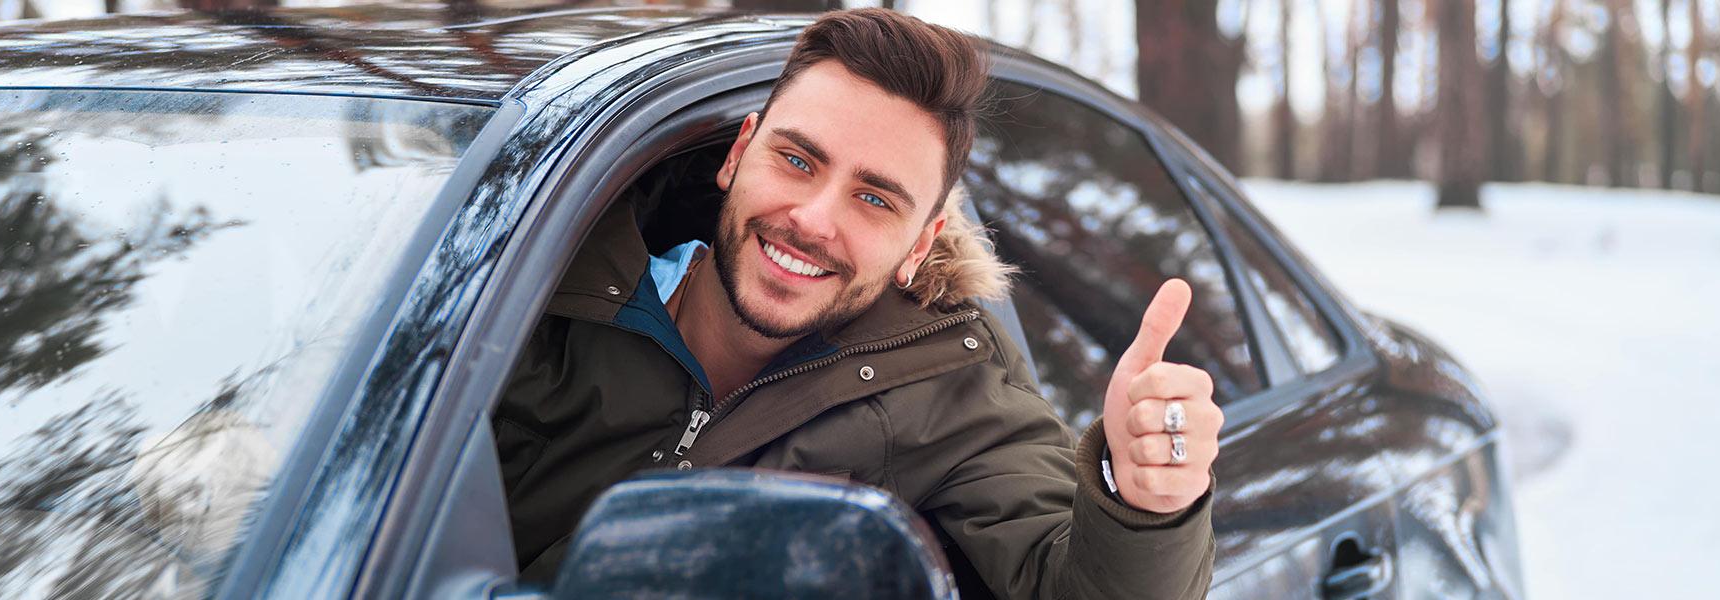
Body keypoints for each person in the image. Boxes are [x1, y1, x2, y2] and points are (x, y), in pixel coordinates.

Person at [493, 8, 1221, 599]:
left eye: (874, 198)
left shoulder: (953, 396)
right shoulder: (524, 294)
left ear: (919, 243)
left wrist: (1146, 507)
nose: (813, 218)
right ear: (738, 152)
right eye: (797, 159)